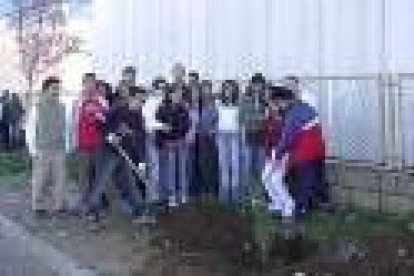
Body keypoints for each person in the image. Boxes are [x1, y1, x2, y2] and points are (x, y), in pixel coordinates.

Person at [80, 87, 147, 222]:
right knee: (101, 182)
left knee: (128, 182)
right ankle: (91, 212)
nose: (141, 103)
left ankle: (139, 211)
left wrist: (141, 162)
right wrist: (109, 135)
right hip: (106, 152)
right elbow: (100, 123)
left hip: (123, 153)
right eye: (139, 100)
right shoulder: (117, 109)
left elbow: (140, 138)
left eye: (143, 101)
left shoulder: (138, 116)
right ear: (131, 98)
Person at [272, 86, 327, 218]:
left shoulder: (294, 114)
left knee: (303, 181)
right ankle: (317, 204)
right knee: (314, 179)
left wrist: (277, 154)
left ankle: (301, 210)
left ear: (285, 100)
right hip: (318, 150)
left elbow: (288, 137)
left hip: (305, 152)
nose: (279, 106)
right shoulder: (305, 107)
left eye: (279, 103)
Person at [32, 77, 67, 216]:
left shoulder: (63, 107)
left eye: (58, 88)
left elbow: (67, 127)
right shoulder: (37, 107)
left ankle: (58, 205)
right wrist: (33, 150)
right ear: (45, 89)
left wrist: (67, 146)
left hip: (59, 149)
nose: (56, 91)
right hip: (42, 149)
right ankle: (38, 205)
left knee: (60, 179)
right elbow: (30, 129)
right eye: (54, 88)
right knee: (40, 179)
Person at [74, 73, 107, 210]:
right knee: (84, 174)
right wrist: (74, 141)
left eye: (92, 82)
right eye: (87, 82)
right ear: (83, 84)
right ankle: (84, 201)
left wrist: (100, 116)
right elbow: (74, 122)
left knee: (98, 173)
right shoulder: (78, 101)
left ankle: (96, 200)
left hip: (98, 142)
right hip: (83, 143)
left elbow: (107, 120)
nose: (90, 85)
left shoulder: (102, 100)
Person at [156, 86, 191, 208]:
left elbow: (186, 125)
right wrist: (165, 139)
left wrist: (176, 132)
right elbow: (159, 126)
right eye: (175, 94)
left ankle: (183, 194)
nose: (177, 96)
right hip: (169, 143)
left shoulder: (183, 108)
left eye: (179, 94)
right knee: (171, 171)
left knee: (182, 169)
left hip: (180, 142)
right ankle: (171, 196)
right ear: (169, 95)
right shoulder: (162, 108)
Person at [188, 80, 219, 201]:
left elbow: (215, 120)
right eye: (193, 92)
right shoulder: (189, 105)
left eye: (197, 92)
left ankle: (210, 190)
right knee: (194, 166)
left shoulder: (210, 104)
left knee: (208, 165)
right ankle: (196, 191)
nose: (195, 94)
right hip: (192, 139)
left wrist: (210, 130)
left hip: (206, 138)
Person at [142, 77, 168, 204]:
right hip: (152, 136)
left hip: (163, 138)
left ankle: (161, 196)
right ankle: (152, 197)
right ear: (154, 88)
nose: (162, 91)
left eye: (164, 88)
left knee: (162, 168)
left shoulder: (165, 102)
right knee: (154, 168)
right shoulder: (150, 102)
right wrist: (162, 126)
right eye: (159, 88)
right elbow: (147, 123)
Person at [240, 73, 267, 191]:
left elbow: (268, 117)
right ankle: (248, 194)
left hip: (262, 138)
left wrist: (256, 117)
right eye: (255, 84)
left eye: (260, 85)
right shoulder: (246, 99)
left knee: (260, 167)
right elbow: (242, 118)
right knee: (247, 167)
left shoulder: (266, 99)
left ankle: (259, 193)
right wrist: (258, 117)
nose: (257, 87)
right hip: (249, 137)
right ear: (251, 85)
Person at [216, 80, 241, 205]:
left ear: (234, 90)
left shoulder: (239, 103)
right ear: (223, 90)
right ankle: (225, 196)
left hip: (235, 136)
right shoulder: (218, 103)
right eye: (226, 88)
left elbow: (241, 121)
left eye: (231, 88)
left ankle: (235, 196)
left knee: (235, 166)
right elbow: (215, 119)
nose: (228, 91)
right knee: (224, 166)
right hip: (221, 135)